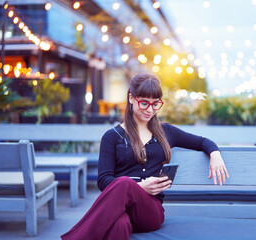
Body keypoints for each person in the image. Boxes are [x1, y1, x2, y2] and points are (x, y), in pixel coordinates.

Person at [61, 73, 229, 240]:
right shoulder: (111, 137)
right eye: (144, 103)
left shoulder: (166, 131)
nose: (150, 110)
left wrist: (215, 154)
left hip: (150, 211)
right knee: (119, 224)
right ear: (131, 98)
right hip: (119, 208)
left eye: (156, 104)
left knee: (124, 182)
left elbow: (202, 142)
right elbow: (103, 180)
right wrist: (140, 186)